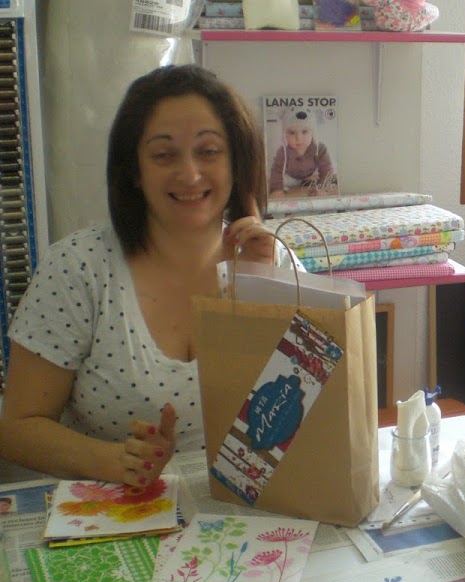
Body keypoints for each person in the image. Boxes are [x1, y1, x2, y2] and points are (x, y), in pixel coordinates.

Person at [0, 64, 287, 487]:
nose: (190, 174)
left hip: (241, 507)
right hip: (115, 508)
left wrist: (263, 289)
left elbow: (308, 414)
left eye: (209, 151)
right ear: (134, 170)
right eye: (164, 155)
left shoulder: (277, 266)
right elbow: (17, 428)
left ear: (237, 162)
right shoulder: (78, 268)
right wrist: (117, 461)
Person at [267, 106, 337, 198]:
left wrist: (323, 189)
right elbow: (276, 170)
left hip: (311, 174)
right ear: (285, 134)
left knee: (331, 173)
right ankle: (299, 183)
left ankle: (309, 182)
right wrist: (276, 190)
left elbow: (326, 169)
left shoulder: (319, 148)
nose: (299, 138)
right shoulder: (283, 151)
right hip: (290, 176)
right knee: (275, 180)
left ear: (312, 133)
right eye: (292, 133)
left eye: (304, 132)